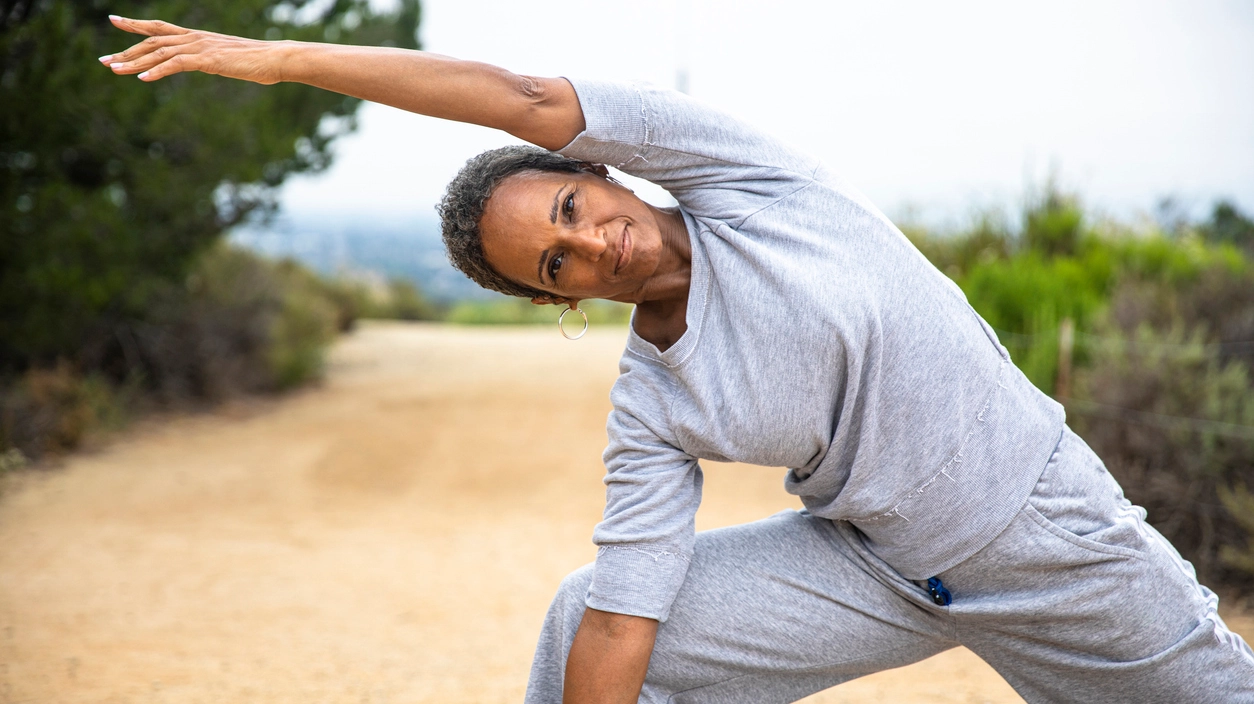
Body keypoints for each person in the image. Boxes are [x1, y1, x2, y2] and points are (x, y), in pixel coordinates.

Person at [100, 15, 1254, 703]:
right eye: (553, 265)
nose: (587, 241)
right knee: (582, 620)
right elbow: (627, 618)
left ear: (601, 169)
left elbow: (513, 93)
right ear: (556, 300)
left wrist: (286, 63)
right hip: (879, 566)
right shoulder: (655, 400)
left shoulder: (741, 179)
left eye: (567, 203)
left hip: (1043, 531)